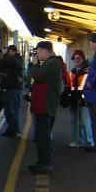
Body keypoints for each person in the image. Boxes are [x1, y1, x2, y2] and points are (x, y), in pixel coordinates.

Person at [27, 41, 64, 174]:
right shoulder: (49, 63)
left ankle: (46, 164)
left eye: (38, 52)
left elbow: (38, 76)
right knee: (40, 136)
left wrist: (34, 65)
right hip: (42, 104)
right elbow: (30, 80)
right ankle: (41, 162)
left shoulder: (52, 64)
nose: (37, 54)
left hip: (45, 105)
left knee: (43, 136)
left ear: (45, 51)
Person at [68, 49, 94, 148]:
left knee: (85, 121)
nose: (76, 60)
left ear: (83, 59)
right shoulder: (73, 71)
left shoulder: (88, 70)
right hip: (74, 99)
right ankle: (78, 140)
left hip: (84, 100)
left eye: (78, 58)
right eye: (74, 58)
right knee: (74, 121)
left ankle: (90, 141)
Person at [0, 45, 24, 137]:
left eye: (9, 51)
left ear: (14, 52)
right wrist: (2, 57)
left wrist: (5, 55)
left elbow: (15, 63)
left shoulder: (18, 59)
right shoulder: (7, 59)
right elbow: (0, 67)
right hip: (7, 88)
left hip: (15, 88)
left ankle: (16, 130)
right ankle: (10, 129)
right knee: (7, 112)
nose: (8, 53)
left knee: (13, 110)